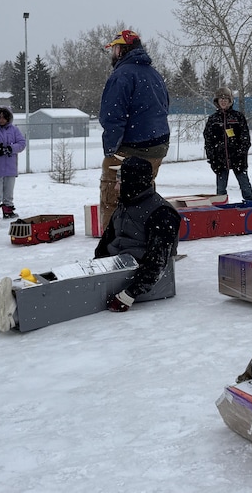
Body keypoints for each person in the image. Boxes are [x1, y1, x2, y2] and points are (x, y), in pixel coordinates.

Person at [98, 29, 170, 232]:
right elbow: (164, 106)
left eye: (113, 49)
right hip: (157, 147)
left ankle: (112, 247)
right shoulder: (154, 74)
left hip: (130, 149)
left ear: (120, 50)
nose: (112, 53)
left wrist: (111, 150)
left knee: (112, 197)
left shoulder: (121, 75)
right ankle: (145, 240)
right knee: (145, 195)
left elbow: (112, 116)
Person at [97, 156, 182, 312]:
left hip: (139, 285)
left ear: (132, 183)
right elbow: (105, 242)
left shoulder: (161, 213)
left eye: (120, 183)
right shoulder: (126, 204)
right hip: (115, 272)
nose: (116, 188)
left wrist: (129, 295)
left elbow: (157, 263)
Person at [203, 87, 252, 203]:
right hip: (220, 161)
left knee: (245, 185)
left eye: (226, 99)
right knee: (220, 190)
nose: (223, 101)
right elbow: (208, 141)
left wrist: (240, 154)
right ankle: (221, 210)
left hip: (238, 159)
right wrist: (212, 158)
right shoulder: (213, 119)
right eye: (220, 99)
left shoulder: (238, 117)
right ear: (217, 101)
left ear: (230, 101)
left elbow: (245, 138)